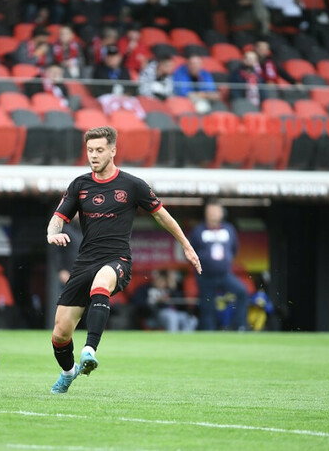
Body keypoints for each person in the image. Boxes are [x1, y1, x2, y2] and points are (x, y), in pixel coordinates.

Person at [46, 125, 202, 394]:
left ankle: (89, 350)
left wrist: (186, 245)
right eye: (90, 150)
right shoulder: (80, 185)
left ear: (113, 151)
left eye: (99, 150)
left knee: (101, 284)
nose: (93, 155)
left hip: (117, 260)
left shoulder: (132, 185)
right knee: (60, 334)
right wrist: (52, 234)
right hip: (85, 262)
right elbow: (58, 218)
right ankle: (69, 372)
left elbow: (161, 215)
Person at [189, 199, 249, 331]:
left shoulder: (229, 229)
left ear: (222, 213)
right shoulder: (198, 230)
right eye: (210, 211)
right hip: (205, 276)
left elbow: (234, 249)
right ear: (205, 213)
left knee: (242, 292)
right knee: (207, 306)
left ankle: (239, 326)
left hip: (225, 274)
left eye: (216, 211)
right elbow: (190, 251)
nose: (213, 214)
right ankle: (209, 333)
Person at [131, 269, 197, 332]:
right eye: (159, 278)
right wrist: (156, 301)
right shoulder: (145, 289)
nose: (161, 281)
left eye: (164, 279)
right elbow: (137, 302)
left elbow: (179, 303)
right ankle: (173, 339)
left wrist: (173, 287)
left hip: (174, 313)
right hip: (155, 315)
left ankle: (184, 339)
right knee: (171, 317)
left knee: (191, 319)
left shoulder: (170, 289)